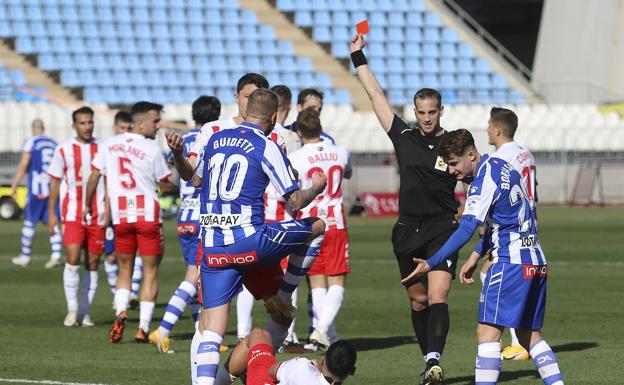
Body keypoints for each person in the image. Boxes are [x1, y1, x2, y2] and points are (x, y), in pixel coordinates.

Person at [166, 88, 327, 385]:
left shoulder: (215, 139)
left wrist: (177, 153)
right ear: (274, 116)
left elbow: (193, 177)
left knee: (213, 329)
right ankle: (284, 292)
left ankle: (214, 381)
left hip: (214, 249)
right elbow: (294, 202)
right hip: (252, 241)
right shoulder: (266, 146)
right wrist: (317, 187)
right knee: (318, 226)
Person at [402, 128, 564, 385]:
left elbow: (467, 227)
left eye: (454, 164)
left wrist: (432, 262)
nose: (451, 171)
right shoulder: (503, 166)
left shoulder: (482, 180)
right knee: (528, 336)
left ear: (470, 154)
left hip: (509, 262)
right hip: (535, 261)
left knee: (486, 334)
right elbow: (504, 218)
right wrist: (476, 255)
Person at [350, 34, 460, 384]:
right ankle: (429, 358)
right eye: (422, 112)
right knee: (418, 301)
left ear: (441, 111)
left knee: (439, 295)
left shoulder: (455, 142)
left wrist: (470, 212)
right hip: (408, 230)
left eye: (433, 112)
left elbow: (475, 177)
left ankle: (433, 361)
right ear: (415, 112)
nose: (427, 118)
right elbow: (375, 95)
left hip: (444, 227)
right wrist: (357, 56)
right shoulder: (403, 136)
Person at [186, 73, 270, 342]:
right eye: (248, 96)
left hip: (254, 233)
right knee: (210, 314)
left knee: (278, 304)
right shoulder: (213, 129)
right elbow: (193, 175)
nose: (252, 102)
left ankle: (250, 345)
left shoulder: (270, 133)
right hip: (217, 234)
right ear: (236, 97)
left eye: (258, 97)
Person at [85, 101, 175, 343]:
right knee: (150, 272)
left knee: (124, 269)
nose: (158, 126)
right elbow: (165, 183)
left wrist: (87, 204)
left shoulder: (108, 144)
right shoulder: (152, 149)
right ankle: (142, 328)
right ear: (140, 122)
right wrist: (176, 186)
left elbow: (94, 176)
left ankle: (121, 310)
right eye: (155, 121)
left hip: (121, 217)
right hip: (147, 218)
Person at [149, 95, 222, 353]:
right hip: (203, 216)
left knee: (195, 274)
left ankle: (199, 331)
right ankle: (163, 330)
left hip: (184, 216)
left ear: (194, 115)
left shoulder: (185, 141)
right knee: (194, 277)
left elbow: (176, 175)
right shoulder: (214, 139)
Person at [469, 107, 538, 361]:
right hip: (528, 221)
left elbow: (499, 192)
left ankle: (512, 340)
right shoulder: (525, 154)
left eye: (489, 125)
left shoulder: (501, 158)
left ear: (497, 129)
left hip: (509, 227)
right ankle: (514, 339)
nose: (487, 128)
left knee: (490, 272)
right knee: (499, 275)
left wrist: (482, 229)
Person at [289, 108, 353, 351]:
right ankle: (321, 331)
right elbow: (347, 173)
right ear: (321, 127)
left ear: (299, 131)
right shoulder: (340, 153)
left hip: (309, 223)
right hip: (335, 222)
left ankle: (324, 334)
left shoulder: (295, 158)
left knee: (316, 281)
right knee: (337, 280)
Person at [47, 107, 106, 327]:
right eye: (82, 123)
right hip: (72, 214)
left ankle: (84, 312)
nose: (87, 127)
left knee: (92, 263)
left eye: (90, 122)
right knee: (72, 258)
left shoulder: (103, 148)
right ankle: (72, 310)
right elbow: (55, 181)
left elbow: (108, 180)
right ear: (74, 125)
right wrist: (52, 213)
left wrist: (108, 208)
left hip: (98, 214)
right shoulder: (63, 149)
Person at [220, 327, 356, 385]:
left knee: (259, 334)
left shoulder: (303, 367)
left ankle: (216, 381)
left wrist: (314, 369)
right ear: (352, 371)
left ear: (323, 359)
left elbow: (272, 371)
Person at [11, 119, 62, 268]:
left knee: (29, 222)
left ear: (33, 129)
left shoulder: (31, 142)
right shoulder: (54, 143)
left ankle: (25, 255)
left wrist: (15, 182)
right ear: (43, 128)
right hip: (52, 188)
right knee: (54, 221)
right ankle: (56, 254)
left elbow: (24, 163)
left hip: (36, 189)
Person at [103, 111, 132, 298]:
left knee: (130, 253)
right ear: (115, 128)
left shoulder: (136, 147)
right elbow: (104, 180)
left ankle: (131, 292)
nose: (125, 132)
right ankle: (117, 293)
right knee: (111, 254)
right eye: (122, 128)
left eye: (128, 128)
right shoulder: (108, 148)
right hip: (114, 208)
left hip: (132, 208)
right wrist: (106, 211)